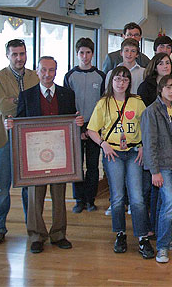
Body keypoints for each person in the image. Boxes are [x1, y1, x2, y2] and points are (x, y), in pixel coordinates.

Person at [6, 56, 84, 253]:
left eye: (51, 70)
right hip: (34, 158)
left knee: (59, 195)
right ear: (37, 71)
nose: (48, 74)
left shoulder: (67, 94)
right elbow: (20, 123)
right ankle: (36, 236)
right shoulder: (27, 95)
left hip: (60, 156)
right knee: (34, 196)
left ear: (56, 72)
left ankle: (58, 234)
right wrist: (11, 125)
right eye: (44, 70)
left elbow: (71, 120)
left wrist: (78, 123)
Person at [87, 66, 154, 259]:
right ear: (111, 81)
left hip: (134, 152)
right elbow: (92, 130)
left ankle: (142, 237)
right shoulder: (103, 103)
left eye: (125, 80)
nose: (121, 83)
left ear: (129, 83)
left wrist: (142, 145)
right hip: (113, 152)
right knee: (117, 197)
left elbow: (146, 126)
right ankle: (120, 234)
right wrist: (103, 144)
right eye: (117, 79)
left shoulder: (137, 102)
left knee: (137, 197)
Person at [0, 39, 38, 244]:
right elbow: (2, 107)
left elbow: (36, 103)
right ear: (7, 55)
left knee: (29, 185)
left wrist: (15, 100)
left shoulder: (35, 76)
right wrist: (22, 101)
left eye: (22, 54)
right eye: (15, 54)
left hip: (27, 136)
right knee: (1, 186)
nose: (19, 58)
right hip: (2, 136)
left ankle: (33, 227)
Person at [141, 74, 172, 263]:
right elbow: (149, 143)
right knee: (170, 203)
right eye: (168, 87)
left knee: (164, 205)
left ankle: (166, 240)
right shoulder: (151, 111)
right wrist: (154, 171)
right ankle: (161, 247)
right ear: (160, 89)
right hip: (161, 166)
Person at [64, 38, 106, 214]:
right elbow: (67, 103)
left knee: (92, 166)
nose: (85, 56)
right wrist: (80, 129)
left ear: (93, 53)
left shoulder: (101, 76)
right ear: (77, 54)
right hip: (76, 128)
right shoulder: (70, 76)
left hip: (94, 129)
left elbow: (103, 104)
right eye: (82, 52)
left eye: (88, 52)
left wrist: (91, 129)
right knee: (77, 165)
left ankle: (90, 199)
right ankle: (78, 199)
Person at [137, 52, 172, 239]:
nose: (165, 65)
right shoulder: (148, 93)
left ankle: (162, 235)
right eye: (161, 63)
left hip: (170, 156)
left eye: (168, 62)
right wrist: (153, 167)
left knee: (165, 201)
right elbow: (149, 135)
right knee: (157, 196)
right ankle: (157, 236)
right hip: (155, 155)